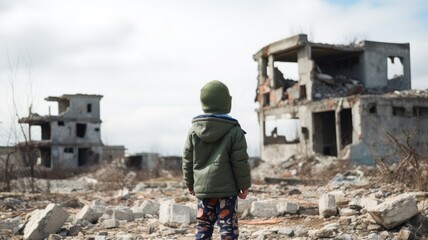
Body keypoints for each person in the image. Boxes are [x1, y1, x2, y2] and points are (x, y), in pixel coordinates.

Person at [182, 80, 252, 240]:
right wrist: (244, 186)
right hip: (227, 192)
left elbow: (187, 159)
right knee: (228, 228)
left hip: (203, 190)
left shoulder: (194, 131)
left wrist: (190, 184)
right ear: (227, 103)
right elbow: (240, 161)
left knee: (203, 226)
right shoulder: (235, 131)